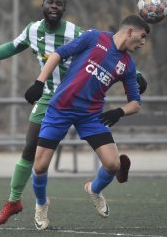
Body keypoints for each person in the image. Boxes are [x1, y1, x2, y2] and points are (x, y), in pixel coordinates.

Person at [0, 0, 148, 226]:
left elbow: (116, 61)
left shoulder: (81, 33)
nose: (54, 6)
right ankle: (22, 202)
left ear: (65, 9)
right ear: (42, 6)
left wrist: (131, 89)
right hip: (53, 100)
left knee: (111, 163)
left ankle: (96, 187)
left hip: (87, 110)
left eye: (59, 3)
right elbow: (14, 47)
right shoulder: (34, 30)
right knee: (33, 153)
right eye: (50, 2)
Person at [24, 14, 150, 230]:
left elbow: (135, 103)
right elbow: (57, 54)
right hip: (61, 109)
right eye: (143, 36)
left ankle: (94, 189)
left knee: (113, 164)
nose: (143, 42)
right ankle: (41, 203)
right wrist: (39, 82)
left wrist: (119, 112)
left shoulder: (128, 65)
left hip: (91, 115)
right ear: (129, 31)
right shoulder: (94, 37)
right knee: (40, 165)